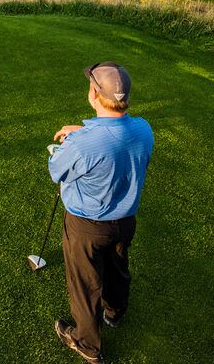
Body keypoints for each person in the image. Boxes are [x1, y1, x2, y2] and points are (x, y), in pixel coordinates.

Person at [48, 62, 154, 364]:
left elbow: (57, 171)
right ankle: (114, 313)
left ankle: (87, 344)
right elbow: (114, 139)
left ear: (94, 94)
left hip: (87, 226)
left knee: (84, 283)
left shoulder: (83, 145)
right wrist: (82, 133)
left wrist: (69, 144)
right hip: (125, 221)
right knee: (117, 267)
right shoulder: (144, 129)